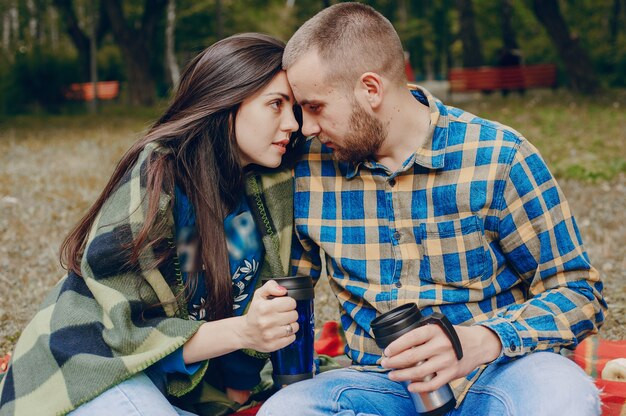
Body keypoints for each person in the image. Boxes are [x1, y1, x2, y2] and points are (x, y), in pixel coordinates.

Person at [259, 3, 607, 416]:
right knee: (286, 411)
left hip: (502, 369)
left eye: (315, 107)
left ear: (370, 90)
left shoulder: (498, 157)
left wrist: (481, 339)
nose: (306, 127)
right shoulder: (308, 170)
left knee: (564, 401)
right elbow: (288, 293)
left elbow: (580, 293)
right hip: (378, 384)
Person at [0, 33, 304, 416]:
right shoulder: (158, 175)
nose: (292, 122)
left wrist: (239, 388)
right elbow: (123, 333)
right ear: (226, 101)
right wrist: (244, 331)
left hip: (180, 388)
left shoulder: (265, 191)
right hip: (94, 362)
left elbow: (253, 302)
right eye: (275, 104)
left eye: (294, 107)